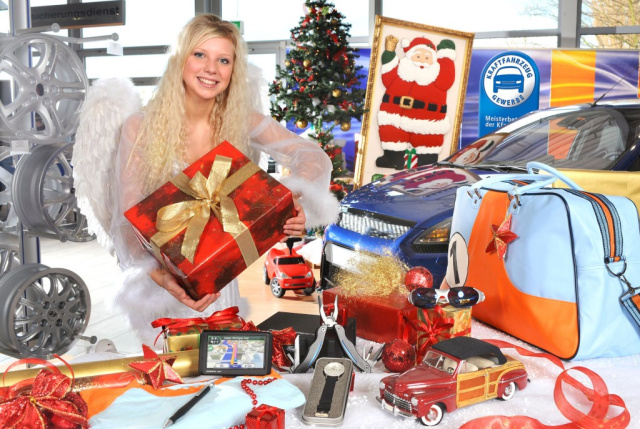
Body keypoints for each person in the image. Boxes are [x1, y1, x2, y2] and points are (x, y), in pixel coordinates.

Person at [99, 14, 338, 344]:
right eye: (200, 54)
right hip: (164, 290)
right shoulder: (140, 127)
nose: (211, 69)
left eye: (223, 60)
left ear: (233, 70)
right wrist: (162, 277)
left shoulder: (239, 120)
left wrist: (289, 199)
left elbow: (312, 156)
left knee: (226, 367)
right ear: (180, 59)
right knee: (174, 372)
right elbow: (128, 221)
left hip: (221, 284)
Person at [375, 35, 457, 170]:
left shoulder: (437, 75)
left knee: (428, 143)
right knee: (391, 135)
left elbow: (448, 76)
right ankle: (393, 158)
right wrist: (389, 52)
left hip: (427, 120)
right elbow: (388, 73)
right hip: (395, 117)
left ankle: (427, 164)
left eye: (427, 57)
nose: (422, 61)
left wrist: (446, 55)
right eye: (418, 56)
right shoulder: (401, 71)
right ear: (409, 56)